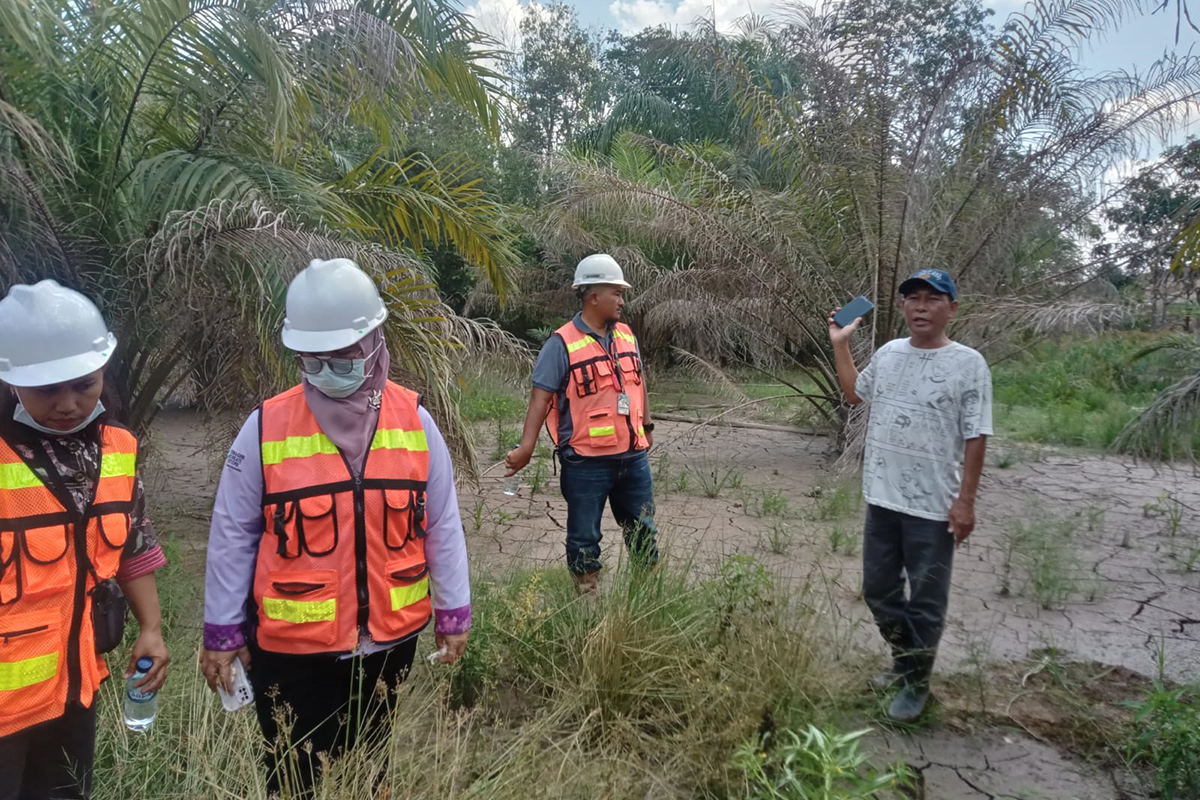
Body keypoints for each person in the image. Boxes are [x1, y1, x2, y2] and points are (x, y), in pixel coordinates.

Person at [199, 258, 471, 797]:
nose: (329, 367)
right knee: (293, 777)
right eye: (314, 357)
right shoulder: (265, 425)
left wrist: (453, 611)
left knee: (370, 771)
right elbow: (233, 533)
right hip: (292, 649)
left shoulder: (415, 421)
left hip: (389, 643)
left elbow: (441, 522)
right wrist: (222, 631)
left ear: (374, 341)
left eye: (343, 355)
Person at [0, 280, 170, 800]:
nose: (69, 403)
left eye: (84, 384)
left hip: (76, 688)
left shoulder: (118, 449)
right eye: (48, 390)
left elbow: (132, 548)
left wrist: (152, 628)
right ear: (11, 383)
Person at [827, 269, 992, 722]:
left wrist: (966, 502)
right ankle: (905, 662)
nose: (920, 307)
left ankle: (917, 683)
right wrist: (841, 342)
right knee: (878, 591)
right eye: (912, 299)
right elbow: (853, 393)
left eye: (932, 299)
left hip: (933, 507)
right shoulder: (889, 354)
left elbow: (976, 435)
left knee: (925, 600)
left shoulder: (968, 364)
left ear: (952, 308)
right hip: (882, 499)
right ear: (903, 307)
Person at [505, 254, 658, 593]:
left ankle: (646, 599)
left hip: (633, 457)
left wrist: (646, 424)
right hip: (586, 462)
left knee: (644, 529)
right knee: (584, 537)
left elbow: (638, 379)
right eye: (615, 293)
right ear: (593, 297)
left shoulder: (627, 335)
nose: (622, 300)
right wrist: (526, 448)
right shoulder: (561, 344)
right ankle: (586, 601)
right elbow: (540, 399)